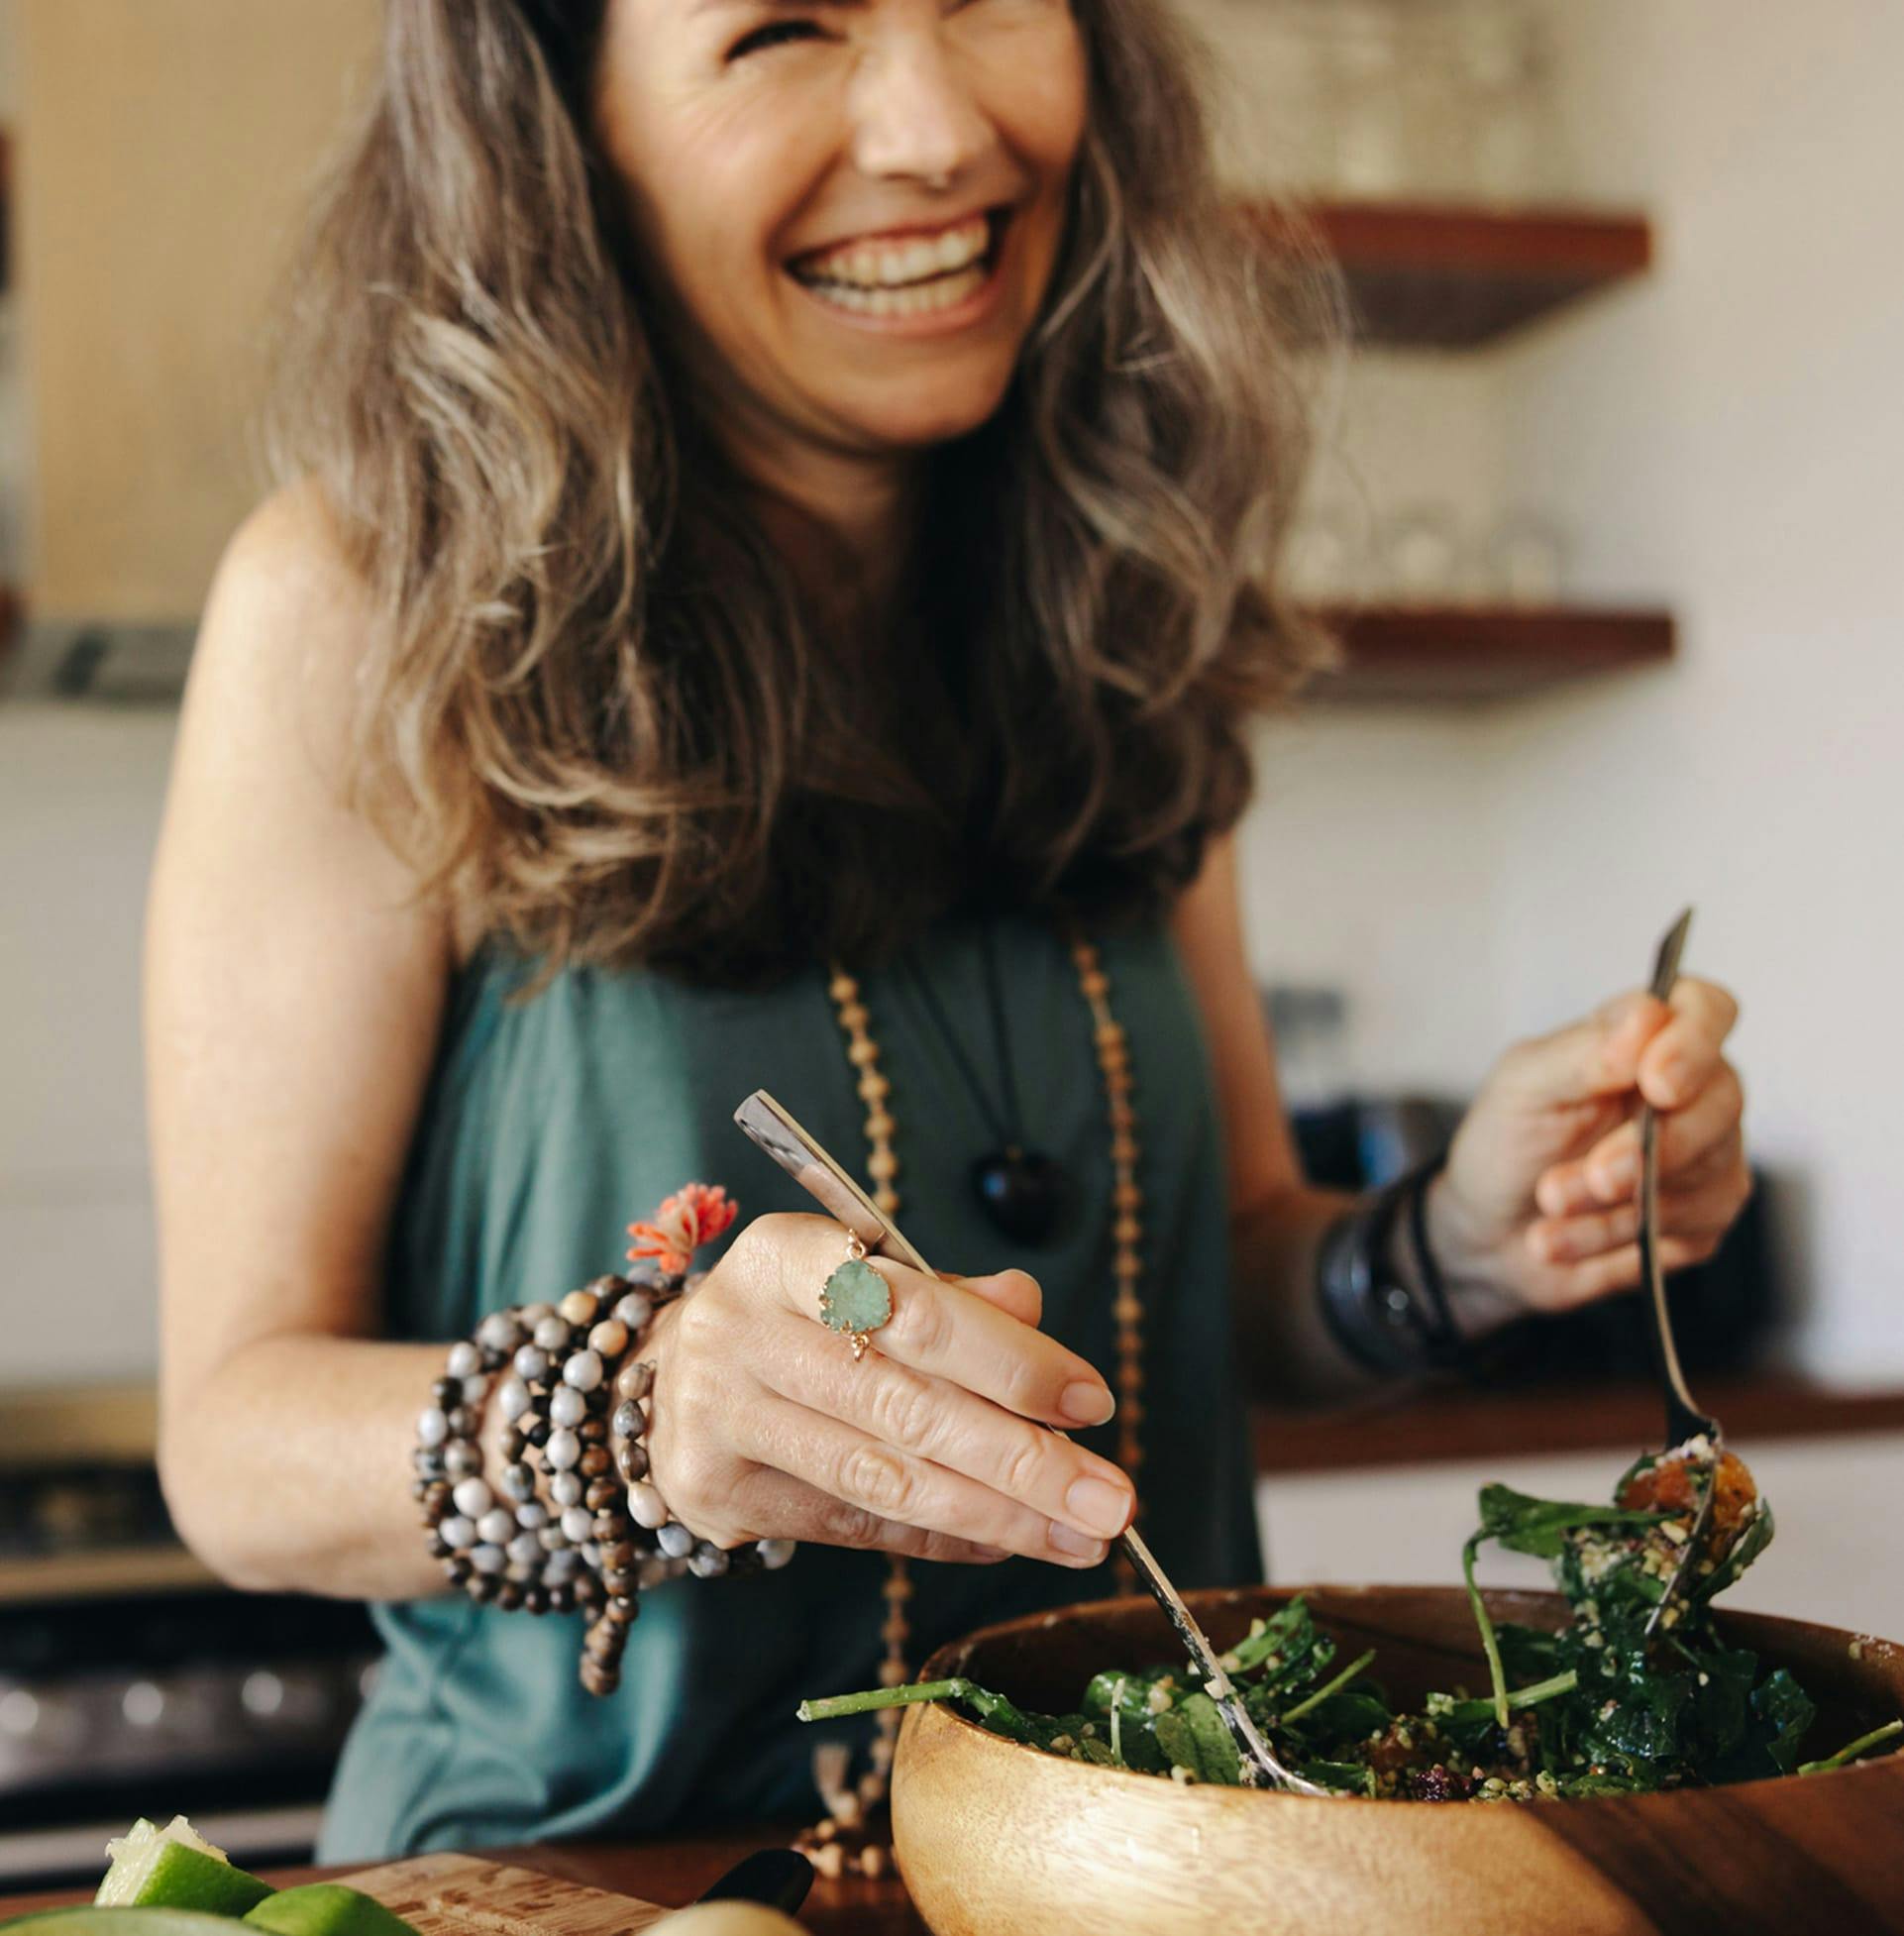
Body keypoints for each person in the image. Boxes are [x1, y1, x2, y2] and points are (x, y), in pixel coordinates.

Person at [145, 0, 1750, 1864]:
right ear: (566, 129)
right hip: (586, 1884)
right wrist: (650, 1418)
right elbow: (234, 1447)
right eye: (779, 31)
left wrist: (1444, 1246)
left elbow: (1208, 1275)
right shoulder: (359, 601)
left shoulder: (1128, 582)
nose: (932, 128)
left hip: (1157, 1873)